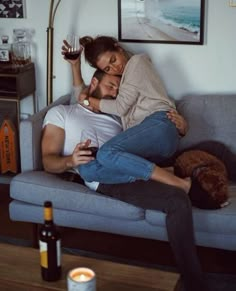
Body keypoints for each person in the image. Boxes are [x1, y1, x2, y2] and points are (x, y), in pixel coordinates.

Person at [42, 44, 209, 291]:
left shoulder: (122, 118)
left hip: (131, 163)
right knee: (89, 166)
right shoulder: (62, 113)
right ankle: (172, 175)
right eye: (110, 84)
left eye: (119, 89)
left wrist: (181, 125)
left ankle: (194, 282)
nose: (116, 91)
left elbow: (152, 117)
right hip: (106, 175)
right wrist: (70, 161)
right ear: (94, 85)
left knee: (179, 199)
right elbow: (48, 161)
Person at [75, 35, 191, 193]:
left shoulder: (137, 63)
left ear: (118, 48)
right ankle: (163, 173)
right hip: (149, 142)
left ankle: (180, 184)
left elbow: (120, 107)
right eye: (107, 69)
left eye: (113, 60)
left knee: (106, 153)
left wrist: (89, 100)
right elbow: (80, 98)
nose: (115, 68)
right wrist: (75, 66)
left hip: (160, 124)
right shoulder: (121, 85)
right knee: (87, 170)